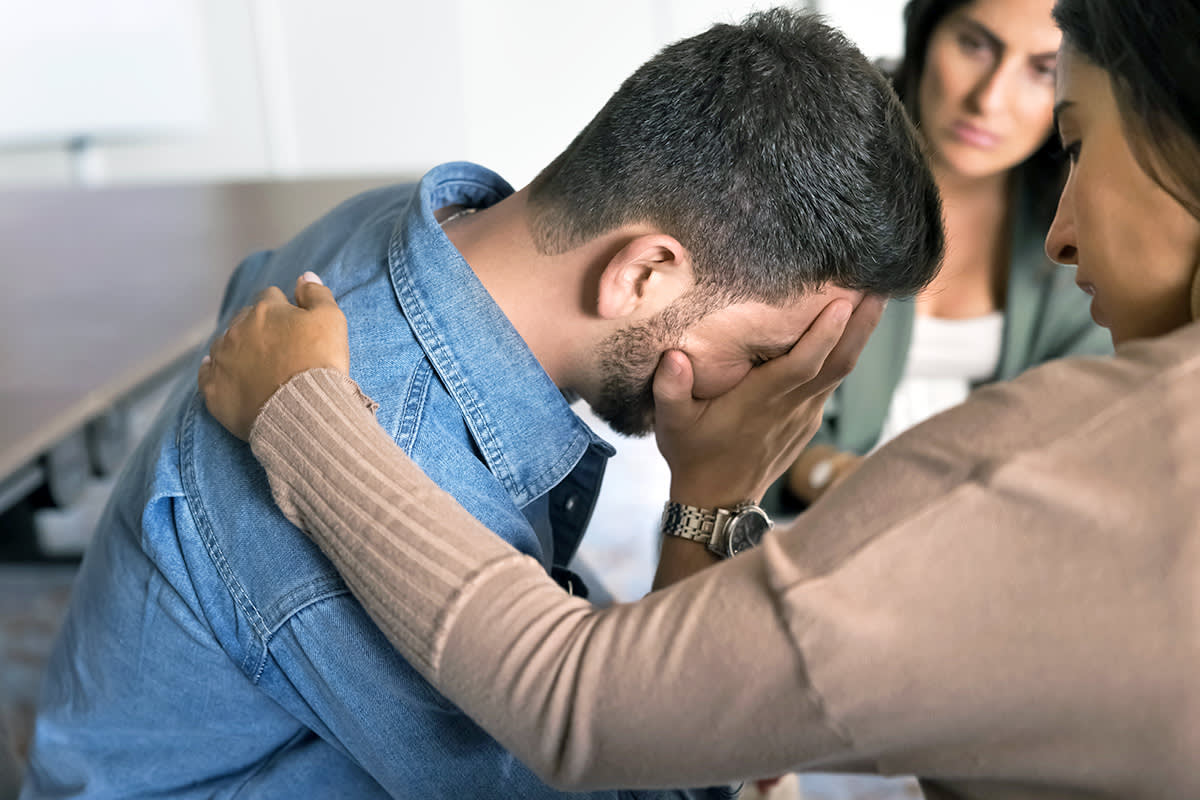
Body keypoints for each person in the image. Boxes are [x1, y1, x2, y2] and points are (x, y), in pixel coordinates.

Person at [196, 0, 1200, 798]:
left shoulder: (374, 248)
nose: (1060, 233)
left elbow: (589, 713)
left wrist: (301, 408)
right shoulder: (394, 383)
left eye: (1075, 140)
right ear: (643, 275)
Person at [22, 9, 945, 799]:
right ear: (644, 274)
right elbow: (643, 780)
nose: (771, 398)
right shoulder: (387, 460)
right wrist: (719, 498)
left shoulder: (420, 228)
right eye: (765, 356)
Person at [775, 0, 1111, 511]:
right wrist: (833, 477)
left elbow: (1086, 421)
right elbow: (739, 398)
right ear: (925, 33)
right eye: (975, 45)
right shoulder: (810, 163)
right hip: (796, 519)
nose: (989, 99)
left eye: (1045, 70)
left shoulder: (1090, 217)